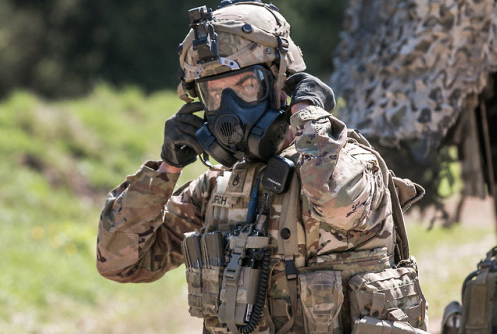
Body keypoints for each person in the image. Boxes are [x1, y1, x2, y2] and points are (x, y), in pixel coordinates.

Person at [96, 1, 429, 333]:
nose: (229, 111)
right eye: (214, 94)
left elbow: (333, 197)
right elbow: (120, 264)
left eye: (245, 86)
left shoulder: (353, 165)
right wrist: (165, 170)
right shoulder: (216, 189)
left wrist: (309, 117)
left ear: (281, 84)